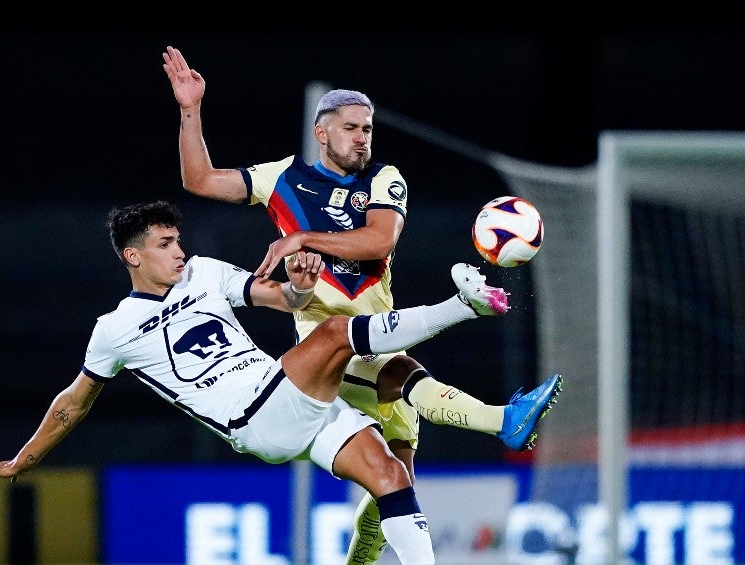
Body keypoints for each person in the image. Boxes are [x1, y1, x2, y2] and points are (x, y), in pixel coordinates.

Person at [162, 46, 564, 563]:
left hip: (381, 327)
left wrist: (299, 239)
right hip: (327, 353)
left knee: (394, 485)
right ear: (322, 132)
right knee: (399, 373)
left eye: (368, 128)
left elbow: (378, 243)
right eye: (351, 127)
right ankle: (501, 419)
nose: (362, 137)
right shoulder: (282, 179)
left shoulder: (383, 179)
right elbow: (199, 180)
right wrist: (190, 109)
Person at [0, 200, 521, 565]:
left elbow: (282, 300)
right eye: (166, 244)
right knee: (336, 335)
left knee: (391, 475)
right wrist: (22, 461)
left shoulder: (206, 273)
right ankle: (463, 306)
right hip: (254, 418)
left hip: (289, 395)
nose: (178, 251)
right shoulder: (114, 330)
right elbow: (72, 405)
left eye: (178, 240)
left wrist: (301, 287)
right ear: (133, 255)